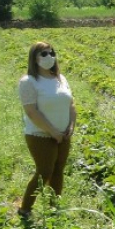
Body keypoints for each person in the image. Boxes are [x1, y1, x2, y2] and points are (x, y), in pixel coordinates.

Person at [18, 42, 76, 217]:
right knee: (44, 171)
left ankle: (54, 207)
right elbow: (31, 111)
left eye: (51, 53)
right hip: (40, 134)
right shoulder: (29, 81)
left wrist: (70, 126)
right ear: (34, 58)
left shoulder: (60, 78)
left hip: (63, 133)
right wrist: (52, 131)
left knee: (59, 169)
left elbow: (71, 104)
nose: (49, 57)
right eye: (43, 54)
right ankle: (25, 209)